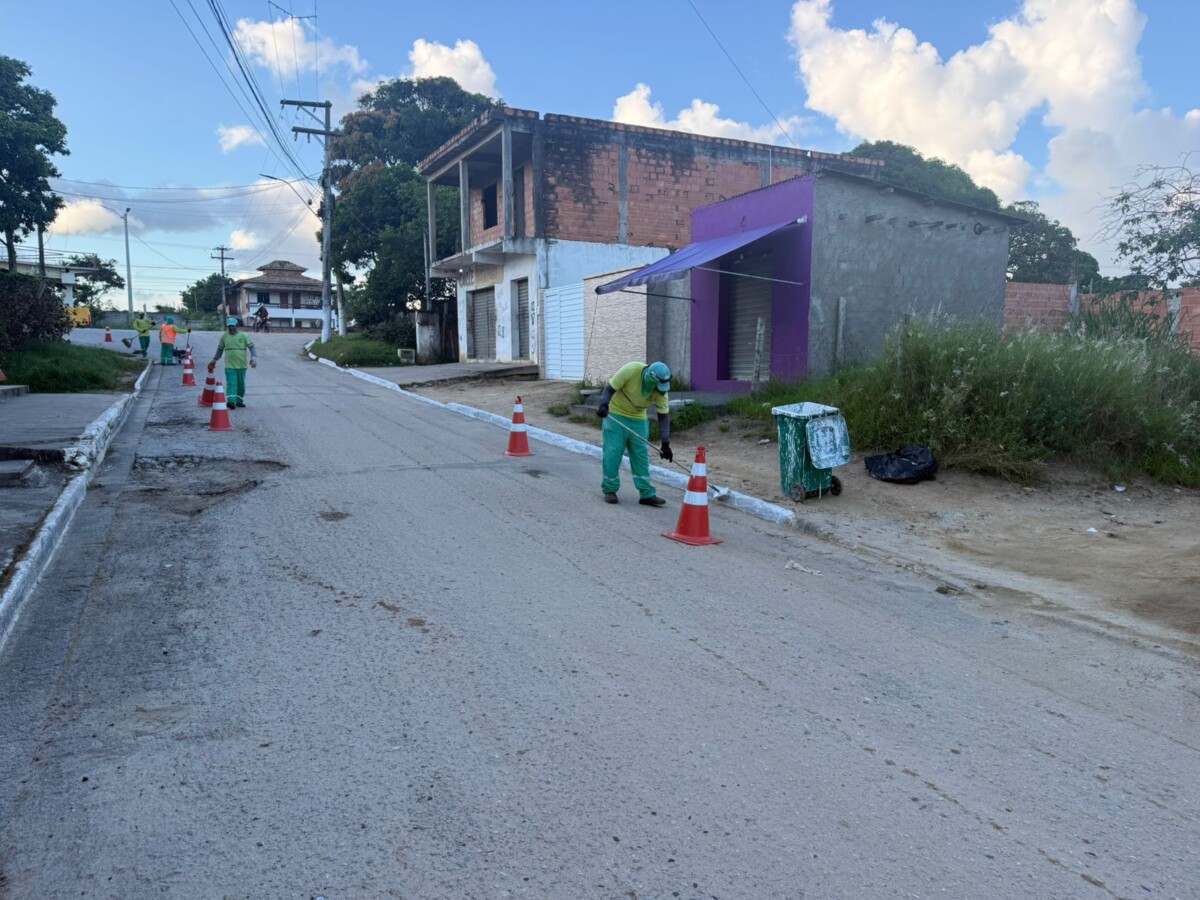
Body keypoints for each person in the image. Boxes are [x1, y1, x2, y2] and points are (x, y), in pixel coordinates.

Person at [596, 361, 673, 506]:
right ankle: (610, 489)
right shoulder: (631, 370)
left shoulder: (661, 391)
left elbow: (663, 416)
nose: (660, 390)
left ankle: (646, 494)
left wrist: (665, 444)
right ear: (650, 378)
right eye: (658, 385)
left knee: (641, 455)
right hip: (616, 414)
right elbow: (609, 389)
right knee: (613, 452)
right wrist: (604, 404)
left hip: (638, 419)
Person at [211, 316, 257, 408]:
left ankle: (239, 401)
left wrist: (253, 358)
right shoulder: (224, 337)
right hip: (229, 366)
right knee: (231, 383)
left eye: (233, 326)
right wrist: (214, 360)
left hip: (242, 365)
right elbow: (220, 350)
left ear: (236, 325)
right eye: (229, 326)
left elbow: (252, 347)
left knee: (241, 385)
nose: (231, 328)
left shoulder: (243, 336)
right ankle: (231, 402)